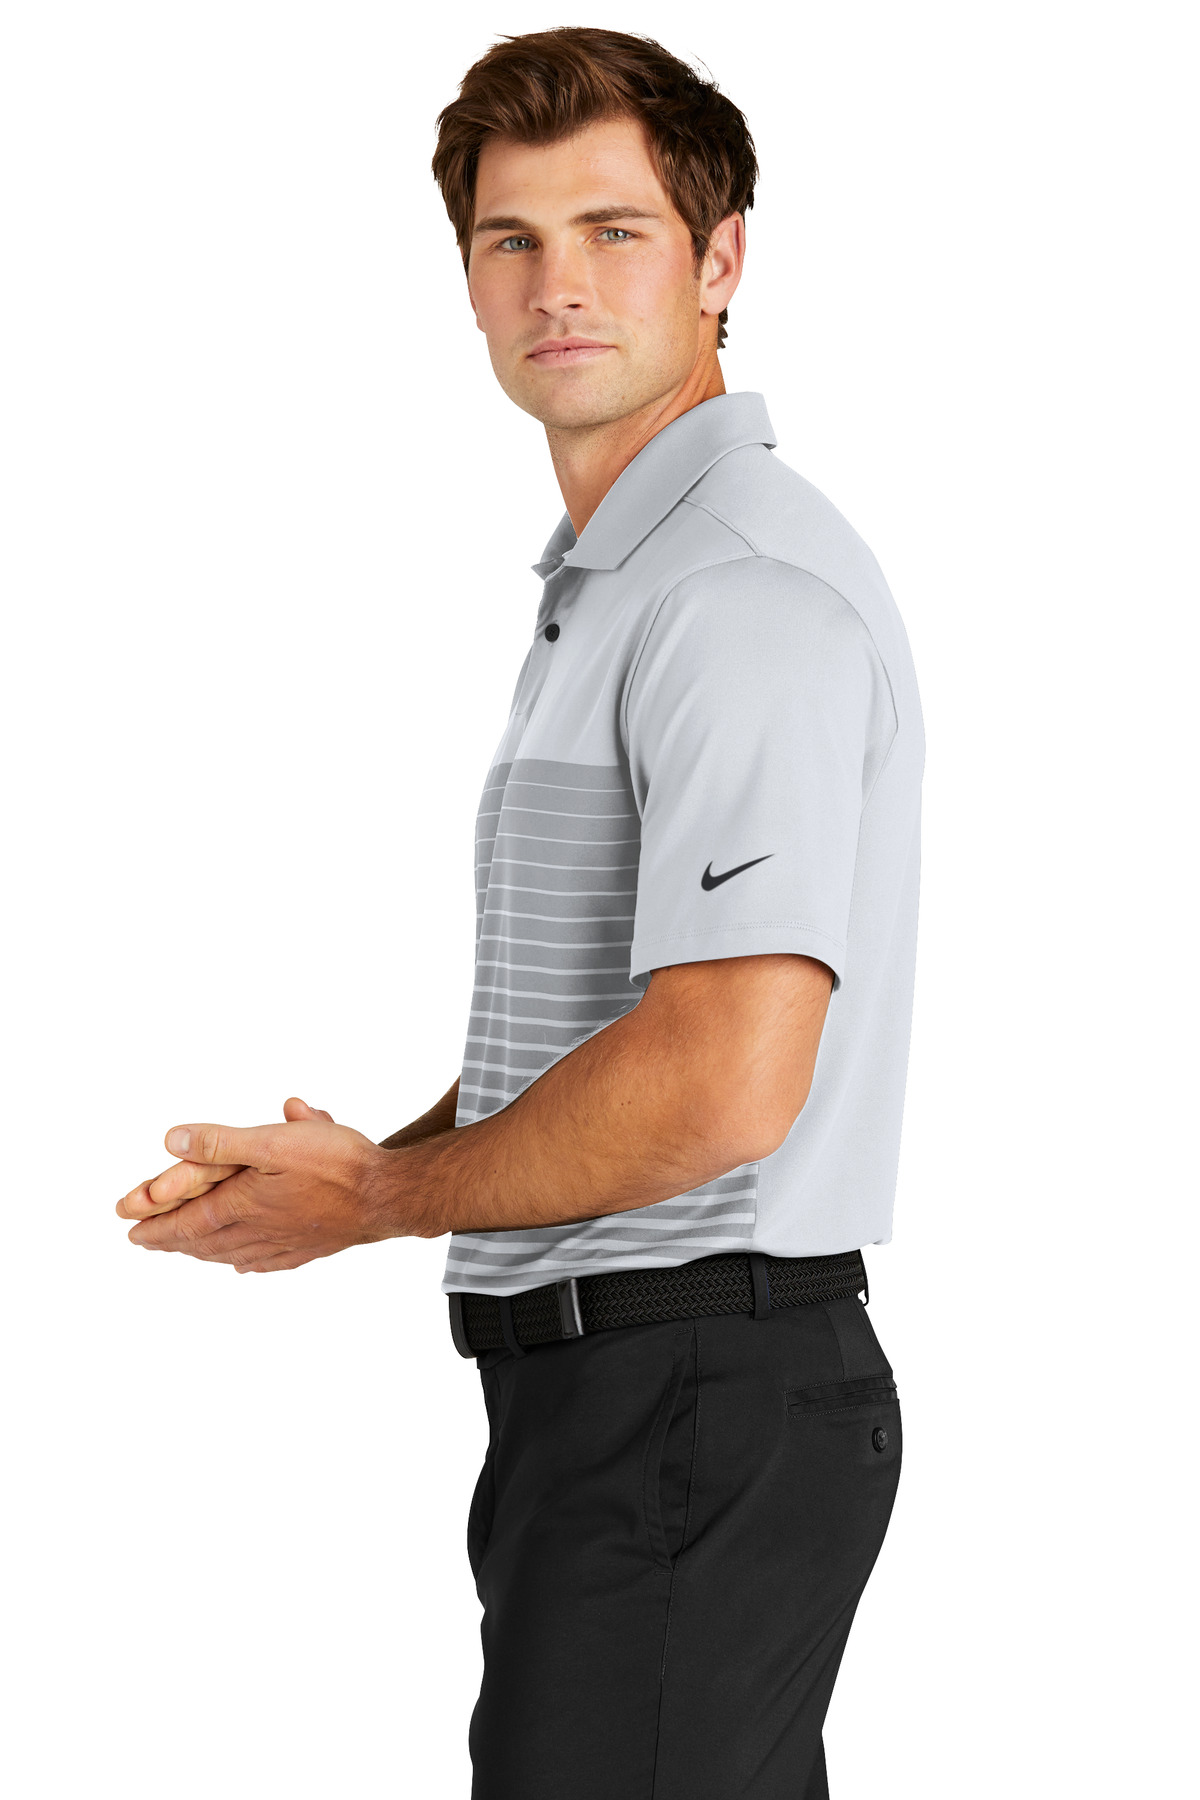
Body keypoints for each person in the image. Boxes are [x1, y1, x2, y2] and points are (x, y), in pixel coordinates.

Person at [117, 27, 924, 1798]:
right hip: (628, 1404)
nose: (558, 282)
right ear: (470, 281)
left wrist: (386, 1199)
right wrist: (364, 1182)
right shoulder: (621, 584)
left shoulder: (737, 595)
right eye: (512, 239)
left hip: (692, 1393)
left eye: (614, 231)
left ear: (720, 259)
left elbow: (718, 1082)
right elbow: (605, 1040)